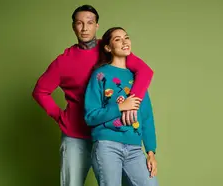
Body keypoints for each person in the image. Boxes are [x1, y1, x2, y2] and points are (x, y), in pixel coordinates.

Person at [31, 5, 154, 186]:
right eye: (79, 23)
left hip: (111, 133)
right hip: (76, 135)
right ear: (73, 27)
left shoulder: (110, 48)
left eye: (89, 23)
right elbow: (40, 91)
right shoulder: (63, 61)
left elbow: (144, 71)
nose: (84, 28)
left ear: (97, 26)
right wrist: (60, 117)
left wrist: (131, 104)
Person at [83, 27, 158, 186]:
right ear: (108, 48)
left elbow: (147, 117)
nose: (124, 42)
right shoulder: (100, 75)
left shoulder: (137, 78)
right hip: (106, 145)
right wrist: (120, 107)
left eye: (126, 37)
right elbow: (90, 116)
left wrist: (151, 153)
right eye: (117, 39)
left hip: (135, 149)